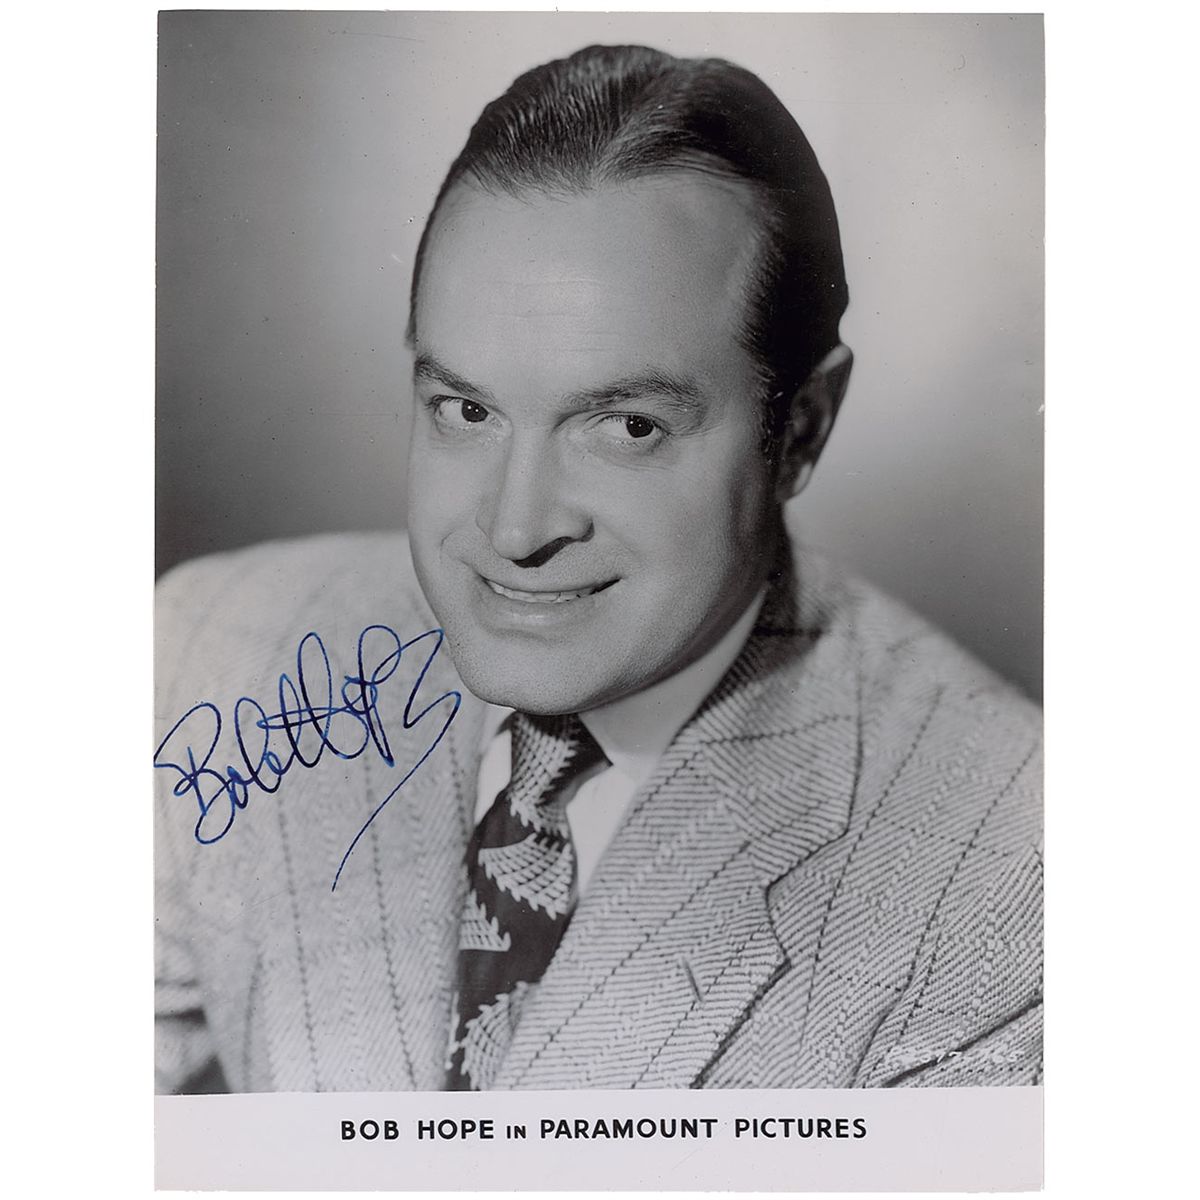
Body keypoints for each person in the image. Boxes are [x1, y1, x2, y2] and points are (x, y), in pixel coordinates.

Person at [154, 44, 1042, 1093]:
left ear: (801, 429)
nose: (515, 528)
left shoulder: (1019, 875)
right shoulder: (209, 653)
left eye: (628, 427)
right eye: (466, 410)